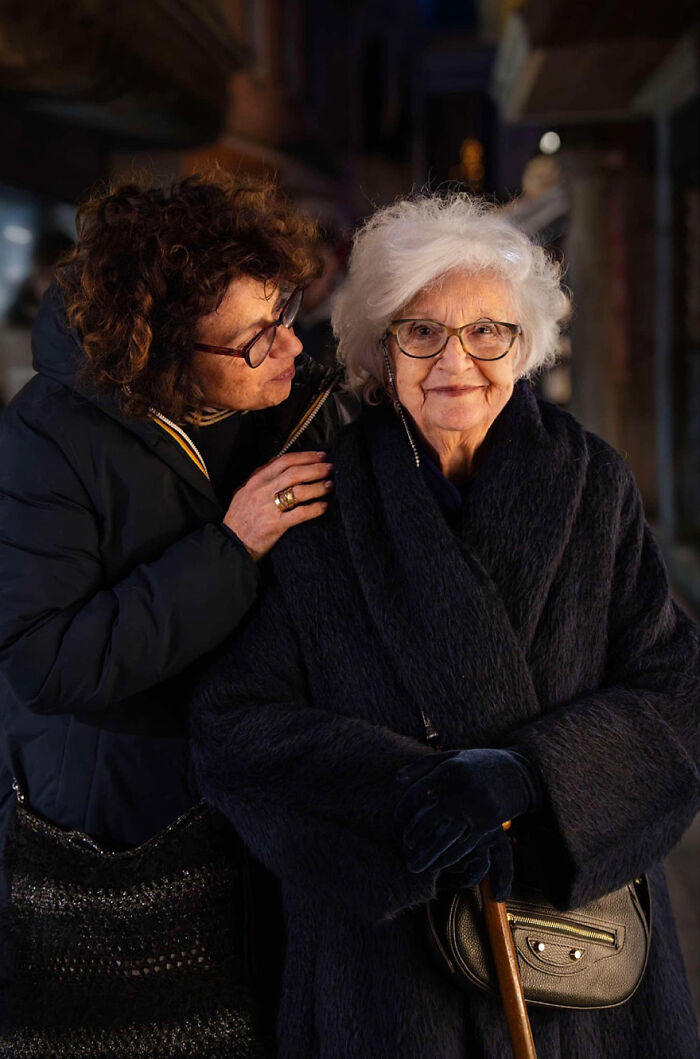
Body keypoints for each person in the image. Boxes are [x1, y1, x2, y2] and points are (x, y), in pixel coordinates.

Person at [190, 193, 700, 1059]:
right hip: (387, 976)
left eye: (486, 332)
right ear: (381, 350)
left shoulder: (594, 486)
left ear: (524, 346)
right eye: (421, 332)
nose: (454, 361)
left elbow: (676, 692)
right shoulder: (317, 502)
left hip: (579, 959)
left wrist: (531, 778)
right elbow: (234, 727)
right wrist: (407, 799)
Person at [0, 171, 355, 1056]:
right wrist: (231, 547)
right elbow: (45, 660)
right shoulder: (45, 437)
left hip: (256, 801)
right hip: (117, 822)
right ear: (160, 352)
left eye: (285, 312)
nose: (288, 345)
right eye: (255, 338)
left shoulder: (286, 396)